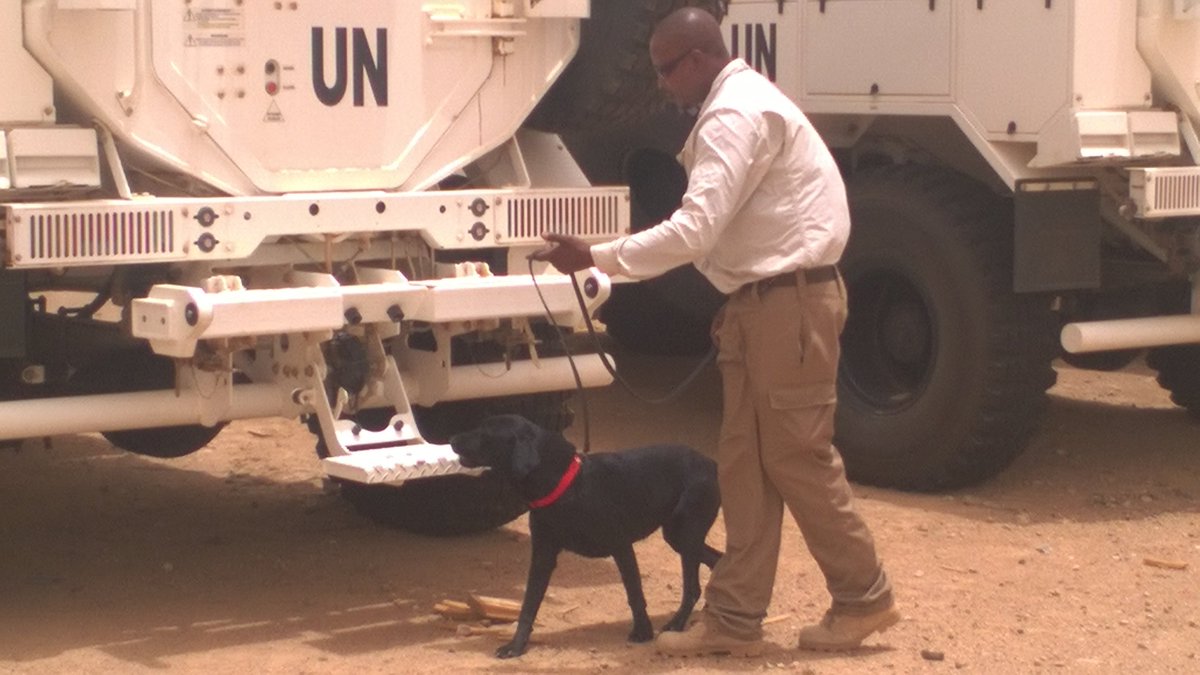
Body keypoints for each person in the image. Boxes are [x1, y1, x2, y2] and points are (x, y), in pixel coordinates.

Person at [529, 7, 899, 657]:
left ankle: (863, 594)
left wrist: (597, 256)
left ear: (697, 59)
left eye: (666, 71)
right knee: (745, 467)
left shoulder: (732, 115)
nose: (662, 85)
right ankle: (733, 619)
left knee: (796, 457)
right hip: (765, 305)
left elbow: (694, 229)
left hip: (790, 306)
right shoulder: (739, 104)